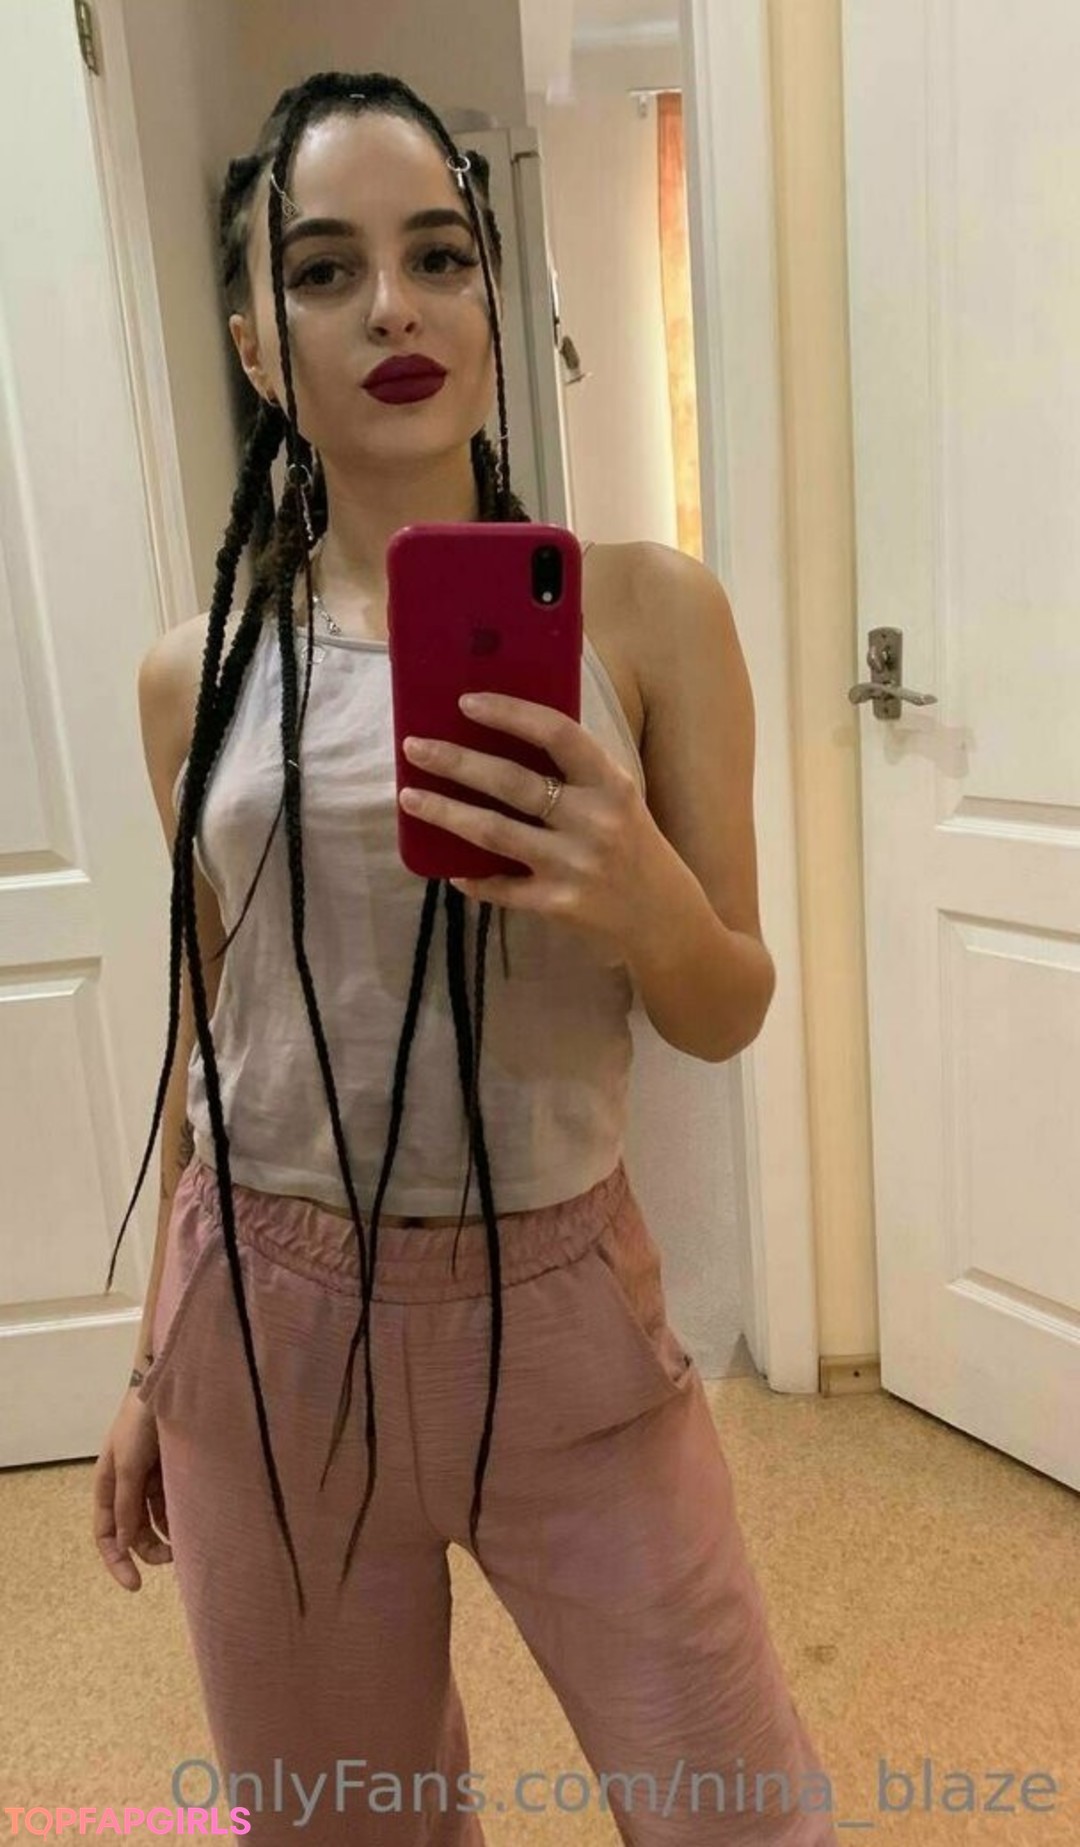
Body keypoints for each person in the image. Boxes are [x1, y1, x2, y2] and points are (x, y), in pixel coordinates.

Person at [90, 71, 838, 1846]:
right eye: (325, 271)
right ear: (256, 344)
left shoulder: (651, 614)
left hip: (563, 1305)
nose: (395, 308)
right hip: (260, 1322)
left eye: (438, 256)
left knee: (737, 1812)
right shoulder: (192, 676)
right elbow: (214, 1025)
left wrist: (637, 886)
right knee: (341, 1825)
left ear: (496, 302)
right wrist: (148, 1365)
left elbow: (726, 1006)